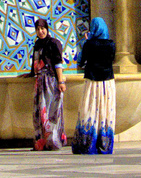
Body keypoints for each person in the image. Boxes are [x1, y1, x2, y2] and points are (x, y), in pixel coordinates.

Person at [71, 17, 116, 155]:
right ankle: (105, 145)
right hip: (107, 83)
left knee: (89, 110)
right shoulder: (111, 44)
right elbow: (111, 59)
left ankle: (87, 144)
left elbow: (80, 61)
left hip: (92, 82)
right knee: (105, 112)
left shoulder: (89, 44)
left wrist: (87, 41)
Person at [30, 17, 67, 150]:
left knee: (52, 111)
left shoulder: (53, 43)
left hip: (51, 82)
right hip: (40, 82)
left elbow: (58, 63)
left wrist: (61, 81)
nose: (41, 32)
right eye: (38, 29)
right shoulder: (38, 44)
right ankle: (43, 141)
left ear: (47, 29)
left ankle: (54, 141)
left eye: (43, 29)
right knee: (40, 111)